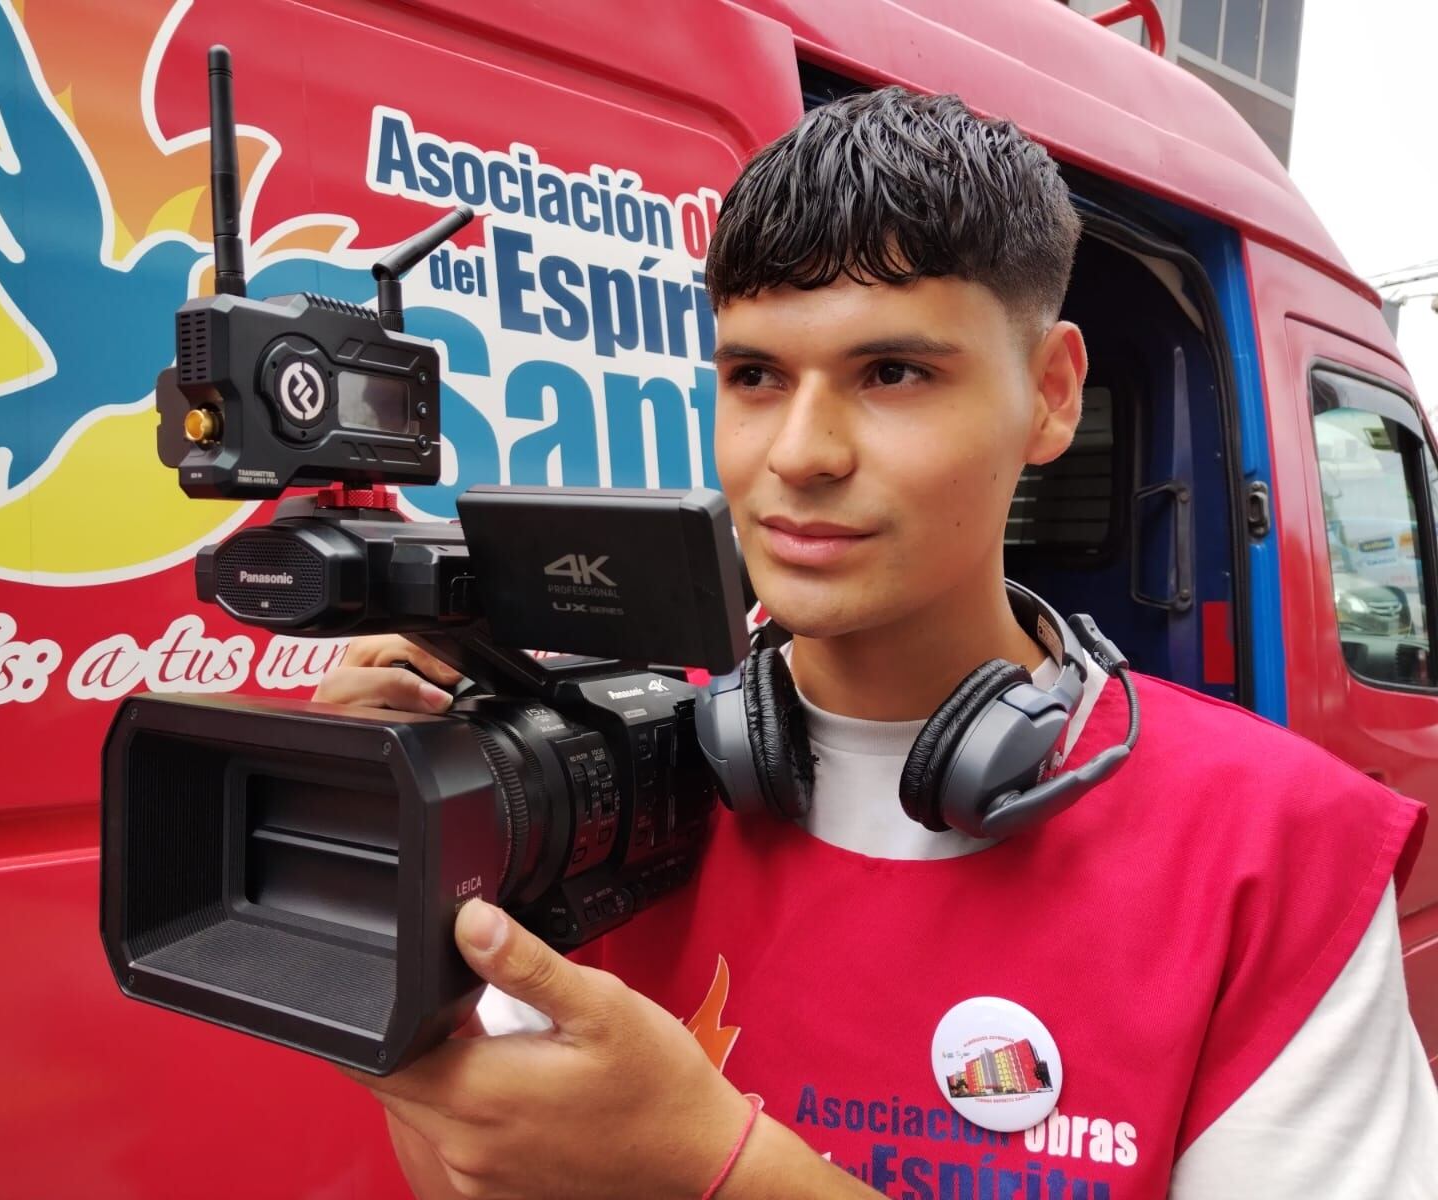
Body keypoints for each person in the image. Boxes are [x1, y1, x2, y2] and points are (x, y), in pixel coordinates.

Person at [316, 89, 1436, 1198]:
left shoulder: (1276, 854)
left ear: (1050, 395)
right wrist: (400, 932)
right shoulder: (590, 774)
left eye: (892, 373)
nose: (798, 454)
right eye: (754, 376)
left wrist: (725, 1172)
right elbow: (469, 1173)